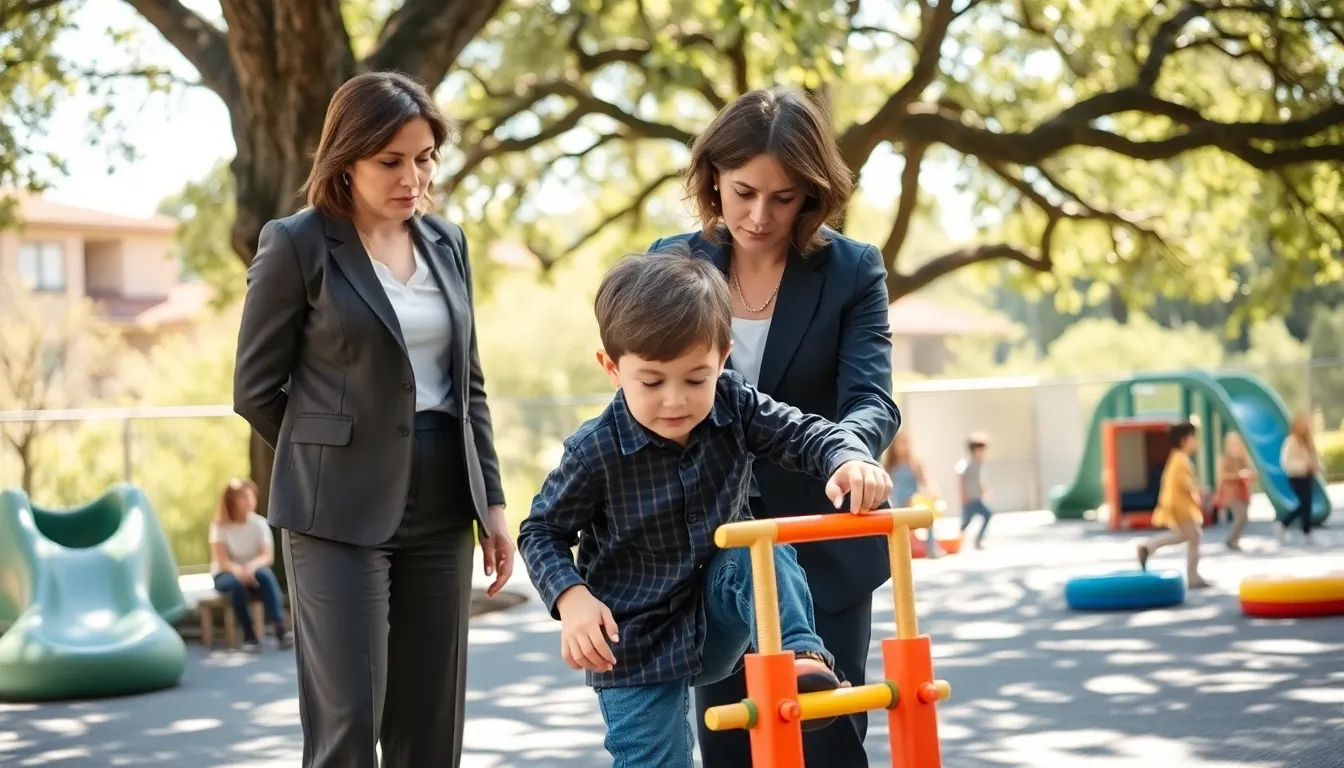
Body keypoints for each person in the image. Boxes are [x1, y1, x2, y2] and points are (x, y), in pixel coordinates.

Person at [232, 71, 514, 768]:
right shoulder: (297, 243)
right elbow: (255, 388)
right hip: (336, 512)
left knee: (430, 728)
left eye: (423, 159)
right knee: (349, 726)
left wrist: (495, 504)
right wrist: (330, 457)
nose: (411, 178)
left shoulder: (448, 243)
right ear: (346, 159)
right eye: (391, 161)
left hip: (446, 498)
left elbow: (467, 383)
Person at [516, 250, 892, 768]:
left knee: (758, 548)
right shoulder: (594, 452)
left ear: (723, 357)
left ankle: (800, 659)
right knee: (656, 760)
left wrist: (846, 457)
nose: (675, 400)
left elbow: (801, 432)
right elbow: (540, 531)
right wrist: (571, 596)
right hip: (634, 642)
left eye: (696, 379)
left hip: (717, 614)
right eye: (651, 382)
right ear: (611, 367)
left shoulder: (733, 403)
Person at [648, 86, 900, 767]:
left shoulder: (852, 269)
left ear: (812, 196)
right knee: (729, 742)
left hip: (821, 538)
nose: (759, 215)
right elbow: (645, 395)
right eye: (743, 192)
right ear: (712, 181)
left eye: (783, 198)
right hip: (705, 547)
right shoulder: (670, 262)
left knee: (827, 742)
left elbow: (872, 397)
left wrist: (850, 455)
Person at [208, 478, 291, 651]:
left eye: (251, 496)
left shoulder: (259, 523)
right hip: (226, 573)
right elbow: (222, 561)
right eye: (244, 497)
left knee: (267, 576)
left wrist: (250, 568)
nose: (250, 501)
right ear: (232, 501)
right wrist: (239, 571)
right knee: (235, 585)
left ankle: (280, 628)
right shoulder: (220, 526)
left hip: (254, 571)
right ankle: (249, 634)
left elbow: (267, 557)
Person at [1137, 421, 1210, 588]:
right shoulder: (1181, 459)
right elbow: (1184, 482)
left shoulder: (1177, 457)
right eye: (1194, 437)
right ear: (1185, 440)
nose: (1197, 441)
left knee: (1184, 536)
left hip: (1177, 505)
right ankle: (1193, 577)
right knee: (1195, 537)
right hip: (1181, 506)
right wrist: (1199, 491)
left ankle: (1149, 547)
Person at [883, 431, 944, 556]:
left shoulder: (915, 464)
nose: (904, 446)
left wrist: (933, 492)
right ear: (894, 446)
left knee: (928, 518)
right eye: (901, 443)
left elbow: (926, 481)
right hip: (897, 506)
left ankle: (932, 548)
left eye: (907, 442)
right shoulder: (890, 466)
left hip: (912, 503)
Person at [1278, 413, 1320, 545]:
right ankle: (1284, 524)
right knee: (1304, 503)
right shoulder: (1291, 441)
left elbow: (1314, 457)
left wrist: (1316, 466)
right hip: (1296, 476)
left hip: (1308, 476)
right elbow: (1287, 462)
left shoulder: (1308, 441)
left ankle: (1306, 532)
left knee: (1307, 504)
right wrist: (1304, 465)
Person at [1215, 431, 1255, 550]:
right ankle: (1231, 539)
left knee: (1244, 517)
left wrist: (1250, 475)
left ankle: (1235, 539)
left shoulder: (1243, 458)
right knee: (1240, 516)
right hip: (1231, 492)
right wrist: (1238, 475)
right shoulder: (1224, 459)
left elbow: (1249, 471)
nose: (1236, 447)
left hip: (1243, 491)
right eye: (1233, 444)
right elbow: (1223, 476)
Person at [956, 433, 993, 549]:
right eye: (980, 451)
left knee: (988, 514)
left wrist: (983, 489)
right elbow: (960, 479)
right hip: (969, 499)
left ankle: (978, 539)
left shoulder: (979, 464)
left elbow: (978, 479)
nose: (983, 454)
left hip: (977, 498)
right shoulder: (966, 464)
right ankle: (957, 542)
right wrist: (962, 496)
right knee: (965, 523)